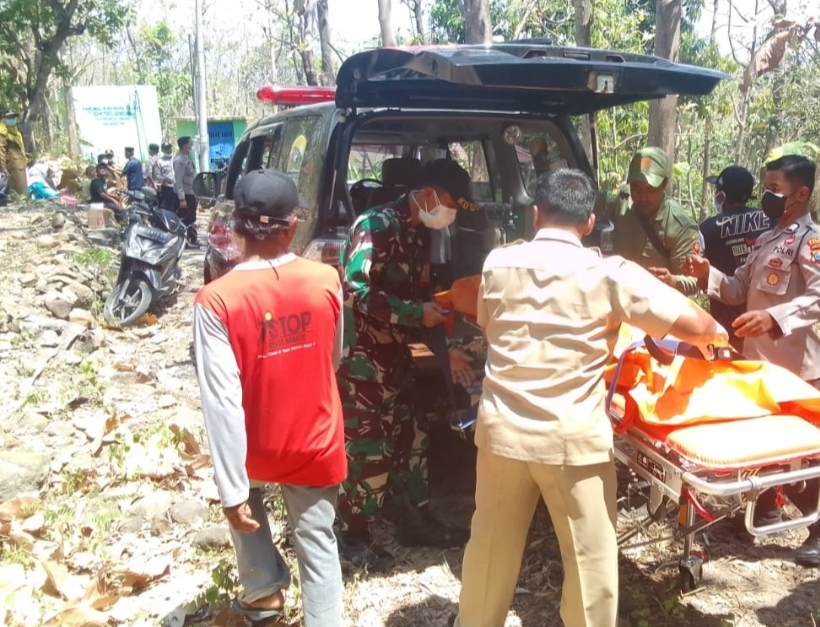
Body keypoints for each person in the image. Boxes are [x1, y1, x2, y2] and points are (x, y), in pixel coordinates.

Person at [451, 169, 729, 627]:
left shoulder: (497, 263)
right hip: (571, 442)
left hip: (501, 433)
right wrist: (716, 334)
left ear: (535, 214)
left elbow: (489, 324)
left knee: (489, 549)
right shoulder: (611, 273)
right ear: (589, 222)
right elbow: (695, 326)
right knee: (590, 560)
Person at [193, 169, 345, 627]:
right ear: (293, 225)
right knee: (318, 543)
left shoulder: (215, 300)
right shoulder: (326, 280)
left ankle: (263, 592)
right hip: (315, 442)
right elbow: (332, 357)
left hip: (254, 450)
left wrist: (231, 490)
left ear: (236, 228)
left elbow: (221, 401)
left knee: (246, 506)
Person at [684, 154, 820, 565]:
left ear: (801, 194)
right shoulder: (768, 237)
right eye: (764, 188)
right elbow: (735, 289)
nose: (766, 197)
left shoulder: (812, 241)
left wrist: (774, 317)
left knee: (801, 454)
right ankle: (764, 511)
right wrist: (706, 275)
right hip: (759, 365)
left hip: (795, 368)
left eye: (775, 190)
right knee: (766, 448)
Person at [336, 157, 476, 567]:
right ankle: (352, 535)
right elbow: (355, 291)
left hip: (395, 358)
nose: (449, 215)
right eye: (450, 202)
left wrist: (440, 349)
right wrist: (417, 315)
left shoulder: (417, 237)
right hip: (364, 361)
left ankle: (415, 519)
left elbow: (415, 303)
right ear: (430, 193)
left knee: (410, 438)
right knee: (367, 447)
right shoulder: (375, 227)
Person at [595, 147, 701, 294]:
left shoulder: (679, 226)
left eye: (651, 190)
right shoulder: (623, 201)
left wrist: (672, 280)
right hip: (620, 298)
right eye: (636, 189)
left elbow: (694, 280)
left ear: (664, 184)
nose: (643, 197)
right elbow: (585, 202)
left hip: (658, 305)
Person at [700, 165, 774, 353]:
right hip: (765, 325)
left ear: (722, 196)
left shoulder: (708, 228)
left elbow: (699, 273)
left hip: (726, 327)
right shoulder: (772, 221)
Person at [174, 136, 199, 246]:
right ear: (184, 145)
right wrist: (182, 198)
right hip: (186, 194)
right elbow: (178, 180)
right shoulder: (179, 160)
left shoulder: (186, 158)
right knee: (186, 219)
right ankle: (184, 242)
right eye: (190, 144)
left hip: (191, 192)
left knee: (191, 218)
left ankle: (192, 239)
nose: (191, 146)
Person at [0, 108, 28, 196]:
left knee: (23, 193)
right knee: (16, 194)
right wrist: (3, 168)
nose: (12, 119)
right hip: (11, 166)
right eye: (9, 117)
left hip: (20, 165)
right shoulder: (2, 132)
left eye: (13, 117)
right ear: (3, 119)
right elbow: (1, 151)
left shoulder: (15, 132)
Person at [153, 143, 178, 212]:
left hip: (179, 187)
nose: (168, 150)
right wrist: (166, 180)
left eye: (169, 148)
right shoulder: (159, 162)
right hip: (168, 187)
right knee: (170, 208)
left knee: (180, 207)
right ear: (162, 150)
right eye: (166, 148)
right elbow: (157, 175)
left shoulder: (176, 159)